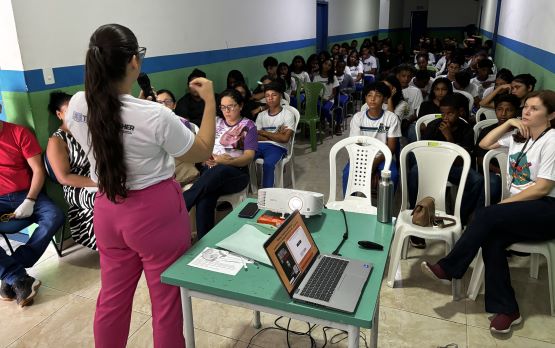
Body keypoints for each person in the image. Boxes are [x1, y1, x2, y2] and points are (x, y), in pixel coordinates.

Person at [65, 24, 216, 348]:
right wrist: (209, 99)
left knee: (112, 300)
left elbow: (98, 126)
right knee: (166, 305)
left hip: (107, 209)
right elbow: (203, 149)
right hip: (155, 214)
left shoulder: (78, 104)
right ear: (134, 61)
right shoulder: (155, 116)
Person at [422, 90, 555, 334]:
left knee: (485, 215)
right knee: (492, 240)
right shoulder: (518, 136)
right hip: (521, 209)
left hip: (547, 209)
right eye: (525, 107)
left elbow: (543, 188)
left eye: (534, 109)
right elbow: (484, 144)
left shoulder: (552, 140)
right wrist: (509, 124)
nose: (526, 111)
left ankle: (450, 268)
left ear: (551, 115)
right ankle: (508, 309)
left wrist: (503, 206)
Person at [0, 114, 64, 307]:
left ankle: (13, 269)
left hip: (27, 193)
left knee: (55, 216)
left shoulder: (19, 133)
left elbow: (38, 170)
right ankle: (17, 276)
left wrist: (30, 199)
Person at [183, 89, 257, 239]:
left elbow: (249, 157)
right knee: (205, 197)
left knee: (220, 170)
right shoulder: (215, 122)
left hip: (236, 174)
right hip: (210, 173)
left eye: (231, 106)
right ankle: (205, 241)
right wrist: (206, 158)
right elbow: (202, 146)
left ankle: (183, 203)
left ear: (241, 106)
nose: (226, 111)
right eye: (223, 107)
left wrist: (227, 161)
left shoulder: (248, 126)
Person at [46, 91, 97, 249]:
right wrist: (98, 183)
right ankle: (111, 244)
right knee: (107, 198)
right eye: (69, 110)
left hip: (98, 177)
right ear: (59, 114)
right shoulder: (57, 140)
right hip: (76, 186)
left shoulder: (89, 130)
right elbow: (64, 178)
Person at [342, 82, 401, 195]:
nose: (373, 99)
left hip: (382, 157)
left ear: (384, 99)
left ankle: (387, 207)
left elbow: (392, 147)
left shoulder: (391, 118)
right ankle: (348, 203)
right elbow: (354, 145)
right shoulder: (358, 117)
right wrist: (367, 165)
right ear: (365, 98)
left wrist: (374, 164)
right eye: (369, 95)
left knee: (393, 175)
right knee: (347, 173)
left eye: (377, 96)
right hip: (361, 156)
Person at [255, 82, 296, 188]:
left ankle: (266, 195)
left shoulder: (288, 115)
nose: (270, 98)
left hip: (278, 147)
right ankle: (246, 188)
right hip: (259, 145)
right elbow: (255, 136)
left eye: (274, 95)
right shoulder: (261, 115)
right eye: (267, 96)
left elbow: (285, 138)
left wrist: (263, 132)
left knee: (268, 164)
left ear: (280, 96)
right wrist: (275, 135)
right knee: (245, 157)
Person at [313, 58, 340, 133]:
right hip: (319, 99)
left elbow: (334, 93)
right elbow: (315, 91)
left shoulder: (333, 77)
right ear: (322, 64)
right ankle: (322, 122)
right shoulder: (316, 77)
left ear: (331, 67)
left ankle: (331, 122)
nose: (326, 66)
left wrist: (328, 99)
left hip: (329, 99)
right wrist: (320, 98)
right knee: (317, 106)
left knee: (325, 109)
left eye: (329, 65)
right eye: (325, 64)